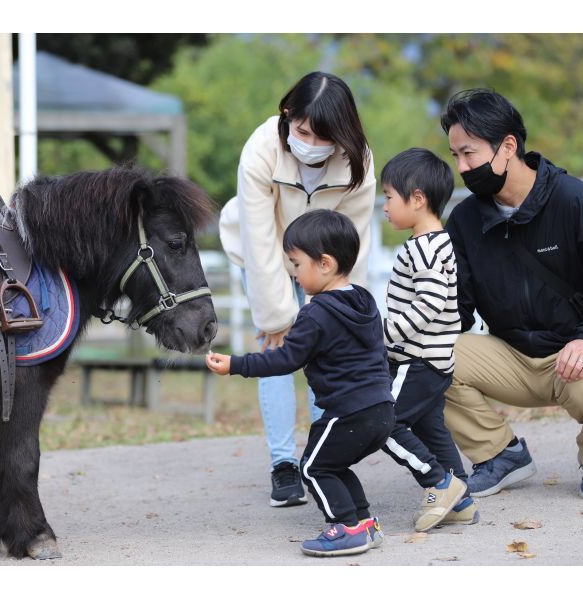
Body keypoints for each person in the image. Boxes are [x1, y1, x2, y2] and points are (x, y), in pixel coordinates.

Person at [441, 88, 583, 500]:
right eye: (455, 157)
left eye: (469, 153)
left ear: (508, 146)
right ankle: (500, 455)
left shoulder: (576, 201)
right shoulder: (464, 220)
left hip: (579, 354)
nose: (462, 168)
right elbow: (457, 309)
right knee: (428, 356)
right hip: (512, 356)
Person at [218, 71, 376, 508]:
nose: (309, 142)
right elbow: (259, 235)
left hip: (324, 260)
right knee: (278, 349)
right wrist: (275, 316)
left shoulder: (357, 161)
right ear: (287, 115)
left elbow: (353, 240)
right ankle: (284, 465)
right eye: (302, 130)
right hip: (265, 250)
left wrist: (345, 309)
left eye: (323, 137)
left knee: (325, 348)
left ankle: (324, 451)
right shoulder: (261, 148)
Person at [207, 210, 394, 557]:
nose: (294, 273)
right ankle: (365, 523)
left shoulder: (316, 312)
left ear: (324, 264)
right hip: (382, 408)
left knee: (312, 466)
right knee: (333, 466)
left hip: (348, 412)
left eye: (296, 264)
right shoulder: (364, 301)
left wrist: (236, 365)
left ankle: (346, 527)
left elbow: (284, 359)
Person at [379, 148, 477, 530]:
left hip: (417, 361)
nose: (385, 206)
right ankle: (462, 497)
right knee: (430, 429)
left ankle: (439, 483)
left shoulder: (424, 247)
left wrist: (386, 337)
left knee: (382, 421)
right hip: (435, 362)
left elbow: (431, 302)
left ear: (417, 199)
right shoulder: (440, 242)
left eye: (389, 197)